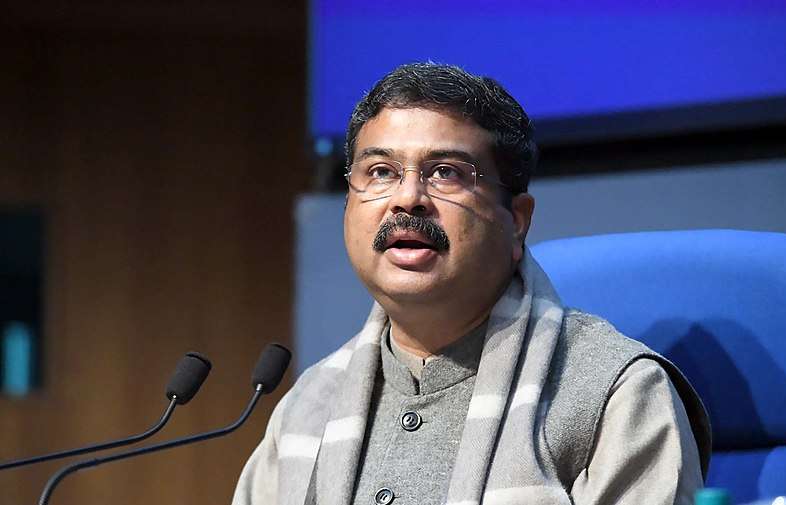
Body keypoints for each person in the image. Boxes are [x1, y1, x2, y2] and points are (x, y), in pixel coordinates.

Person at [233, 63, 711, 505]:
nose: (407, 198)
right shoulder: (305, 409)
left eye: (446, 173)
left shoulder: (616, 393)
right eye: (380, 171)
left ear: (517, 222)